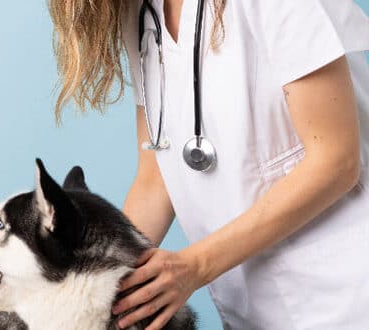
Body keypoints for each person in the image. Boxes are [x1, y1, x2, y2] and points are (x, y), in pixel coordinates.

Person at [48, 0, 369, 329]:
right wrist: (96, 279)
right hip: (254, 312)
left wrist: (195, 265)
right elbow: (155, 177)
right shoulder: (142, 14)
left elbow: (335, 162)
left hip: (350, 297)